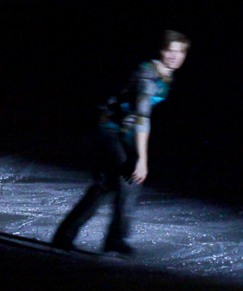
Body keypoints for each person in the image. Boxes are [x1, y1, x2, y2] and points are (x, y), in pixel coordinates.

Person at [52, 31, 190, 254]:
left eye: (180, 51)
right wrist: (141, 159)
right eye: (170, 50)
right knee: (130, 177)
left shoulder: (167, 75)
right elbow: (142, 117)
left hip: (121, 127)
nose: (175, 56)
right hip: (108, 126)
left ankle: (65, 234)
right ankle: (115, 239)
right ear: (161, 51)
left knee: (106, 184)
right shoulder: (148, 74)